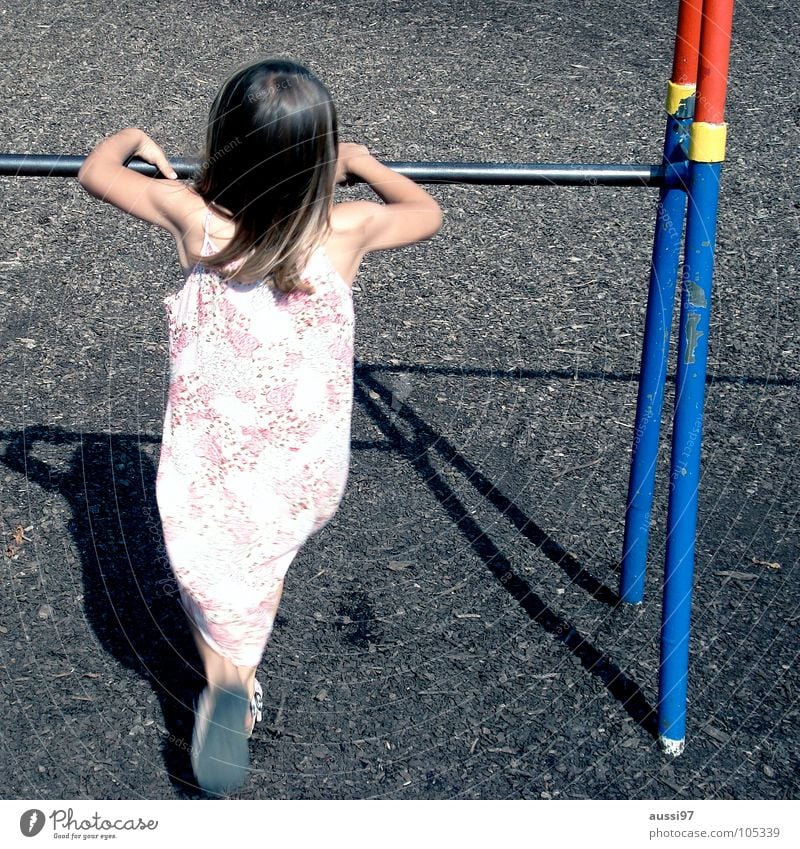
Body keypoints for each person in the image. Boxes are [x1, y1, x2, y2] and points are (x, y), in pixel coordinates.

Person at [77, 58, 442, 795]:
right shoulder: (348, 228)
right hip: (302, 459)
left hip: (212, 457)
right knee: (258, 566)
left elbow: (95, 171)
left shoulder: (195, 219)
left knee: (211, 563)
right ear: (317, 164)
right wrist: (363, 163)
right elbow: (428, 211)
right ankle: (233, 678)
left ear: (224, 147)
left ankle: (226, 679)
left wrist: (133, 137)